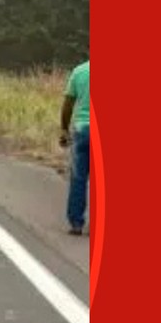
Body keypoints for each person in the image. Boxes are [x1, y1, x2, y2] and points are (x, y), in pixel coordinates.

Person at [59, 60, 90, 236]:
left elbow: (68, 104)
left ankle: (76, 223)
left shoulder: (79, 71)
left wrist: (64, 129)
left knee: (78, 178)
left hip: (83, 130)